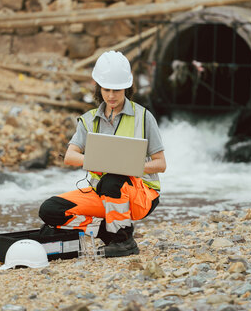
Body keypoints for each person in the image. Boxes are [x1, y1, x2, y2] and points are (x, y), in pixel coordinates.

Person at [39, 51, 166, 257]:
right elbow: (70, 156)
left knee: (112, 180)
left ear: (127, 87)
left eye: (117, 90)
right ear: (99, 87)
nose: (112, 96)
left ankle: (124, 242)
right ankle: (110, 233)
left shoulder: (144, 117)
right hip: (102, 192)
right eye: (107, 89)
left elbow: (161, 164)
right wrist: (99, 163)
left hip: (141, 195)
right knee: (50, 209)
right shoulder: (89, 120)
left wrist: (131, 167)